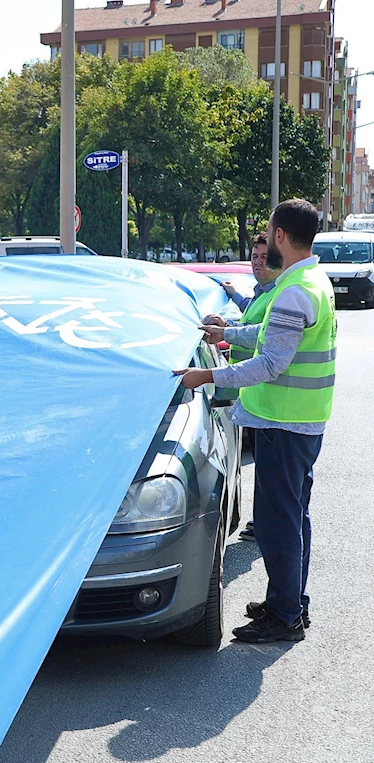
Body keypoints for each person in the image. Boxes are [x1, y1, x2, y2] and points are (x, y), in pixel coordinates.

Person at [175, 199, 336, 643]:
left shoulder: (293, 291)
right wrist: (226, 334)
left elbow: (269, 363)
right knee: (290, 517)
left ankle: (285, 616)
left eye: (269, 232)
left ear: (280, 235)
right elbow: (268, 335)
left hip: (284, 424)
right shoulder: (310, 281)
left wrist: (206, 375)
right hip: (300, 422)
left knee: (277, 522)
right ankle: (288, 602)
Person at [203, 232, 282, 542]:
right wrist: (234, 295)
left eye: (264, 258)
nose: (258, 263)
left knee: (270, 471)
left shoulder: (279, 295)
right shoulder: (262, 293)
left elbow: (257, 331)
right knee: (264, 468)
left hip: (265, 392)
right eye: (254, 257)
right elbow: (251, 307)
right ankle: (263, 522)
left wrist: (226, 329)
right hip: (251, 394)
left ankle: (266, 525)